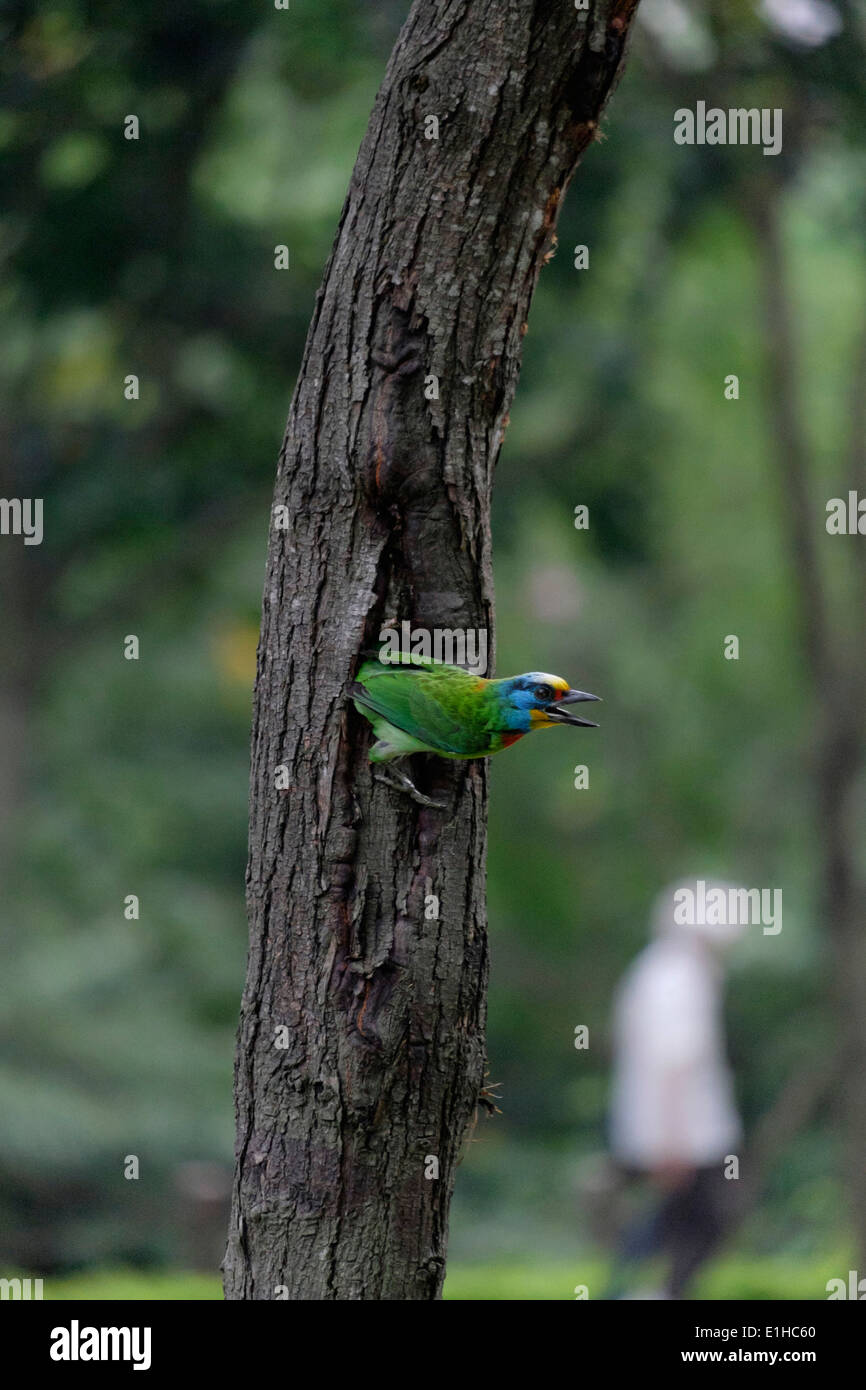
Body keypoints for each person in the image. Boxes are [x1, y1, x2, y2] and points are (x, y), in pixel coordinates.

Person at [605, 881, 745, 1299]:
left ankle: (642, 1290)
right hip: (683, 1139)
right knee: (696, 1227)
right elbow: (672, 1064)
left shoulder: (661, 969)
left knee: (676, 1227)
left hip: (671, 1135)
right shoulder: (679, 977)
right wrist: (672, 1143)